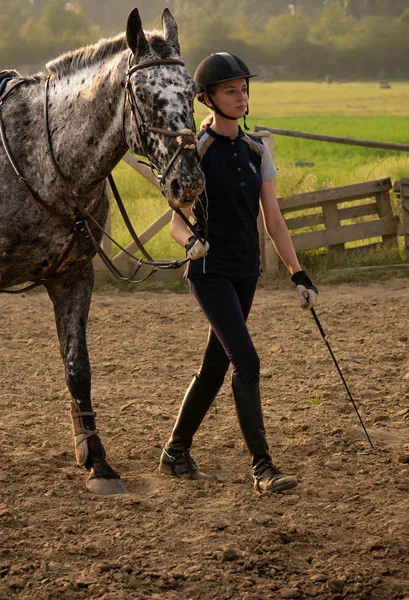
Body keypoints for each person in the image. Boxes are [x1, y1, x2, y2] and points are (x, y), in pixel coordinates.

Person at [158, 52, 318, 495]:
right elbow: (176, 221)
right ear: (207, 98)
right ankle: (263, 468)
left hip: (246, 270)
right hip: (209, 270)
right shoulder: (196, 151)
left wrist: (297, 274)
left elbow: (275, 221)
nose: (240, 96)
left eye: (244, 89)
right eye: (231, 90)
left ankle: (174, 452)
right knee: (246, 360)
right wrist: (189, 241)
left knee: (215, 365)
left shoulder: (256, 149)